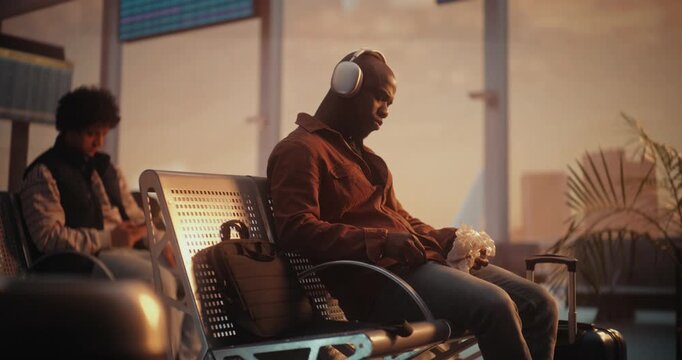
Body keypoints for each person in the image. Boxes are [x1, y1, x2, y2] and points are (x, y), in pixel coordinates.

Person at [267, 50, 559, 360]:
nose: (386, 111)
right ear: (346, 86)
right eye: (381, 98)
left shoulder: (370, 161)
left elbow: (400, 218)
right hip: (379, 283)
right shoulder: (300, 150)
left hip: (419, 268)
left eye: (390, 103)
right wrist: (381, 242)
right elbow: (296, 229)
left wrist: (448, 239)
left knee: (541, 303)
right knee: (494, 306)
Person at [20, 86, 194, 358]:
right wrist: (109, 238)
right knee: (159, 280)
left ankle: (189, 355)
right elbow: (48, 238)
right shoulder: (44, 172)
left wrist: (160, 241)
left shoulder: (108, 169)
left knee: (192, 271)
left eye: (103, 133)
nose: (99, 142)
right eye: (92, 133)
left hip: (125, 252)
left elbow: (135, 216)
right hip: (88, 260)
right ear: (68, 130)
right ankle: (165, 356)